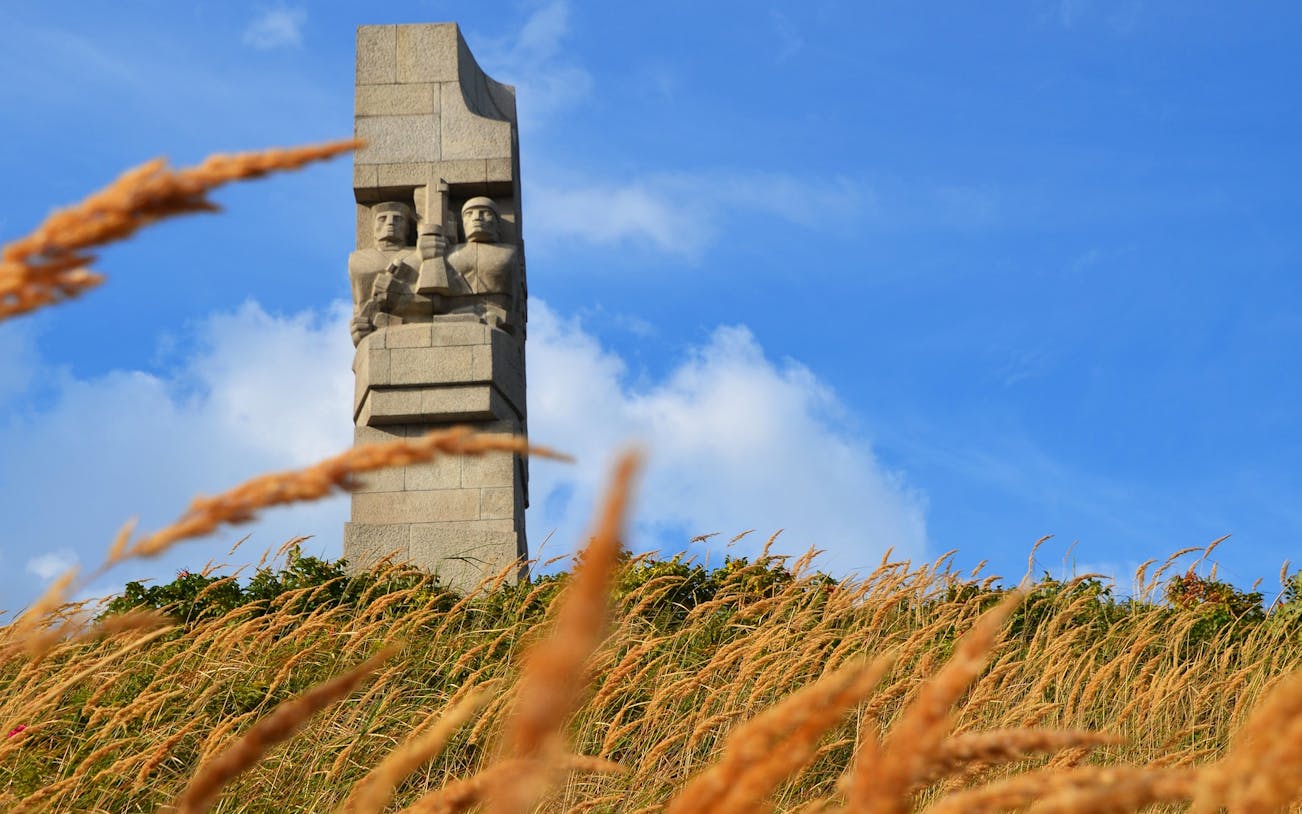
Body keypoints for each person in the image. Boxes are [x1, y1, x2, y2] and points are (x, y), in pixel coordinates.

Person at [348, 202, 421, 345]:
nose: (390, 223)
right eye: (382, 219)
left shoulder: (417, 255)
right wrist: (357, 329)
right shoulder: (358, 260)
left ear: (407, 229)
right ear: (373, 227)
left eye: (398, 219)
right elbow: (359, 306)